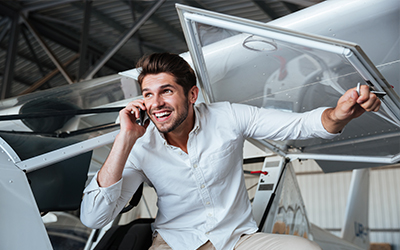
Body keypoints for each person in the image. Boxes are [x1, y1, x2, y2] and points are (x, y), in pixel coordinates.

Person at [80, 53, 381, 250]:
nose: (156, 103)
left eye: (166, 91)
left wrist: (338, 115)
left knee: (307, 249)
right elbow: (94, 217)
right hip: (174, 242)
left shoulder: (228, 116)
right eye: (148, 95)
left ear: (192, 95)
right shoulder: (139, 144)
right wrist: (125, 138)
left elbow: (298, 126)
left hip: (236, 240)